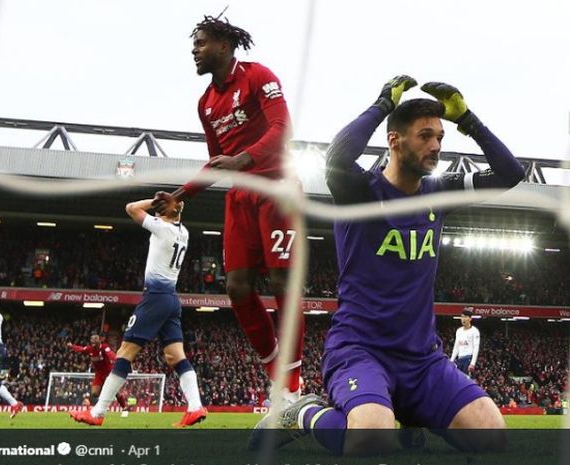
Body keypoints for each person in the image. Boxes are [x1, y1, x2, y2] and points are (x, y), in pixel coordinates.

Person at [251, 76, 524, 455]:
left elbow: (511, 174)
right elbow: (339, 156)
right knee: (372, 439)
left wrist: (469, 120)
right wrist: (382, 105)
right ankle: (304, 413)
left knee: (492, 435)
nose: (436, 146)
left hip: (421, 357)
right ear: (394, 140)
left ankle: (412, 411)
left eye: (440, 138)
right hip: (360, 350)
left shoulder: (438, 191)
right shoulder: (359, 192)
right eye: (425, 136)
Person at [153, 13, 303, 406]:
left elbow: (281, 129)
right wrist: (180, 195)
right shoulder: (206, 103)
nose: (194, 50)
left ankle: (293, 383)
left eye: (200, 43)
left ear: (223, 45)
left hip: (276, 187)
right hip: (241, 195)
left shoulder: (258, 76)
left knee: (282, 283)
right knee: (237, 288)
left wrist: (242, 161)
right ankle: (277, 375)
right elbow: (216, 162)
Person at [70, 198, 206, 427]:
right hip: (172, 299)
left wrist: (155, 201)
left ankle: (97, 412)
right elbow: (174, 212)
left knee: (124, 353)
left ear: (162, 212)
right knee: (176, 356)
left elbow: (131, 208)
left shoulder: (161, 227)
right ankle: (195, 407)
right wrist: (170, 205)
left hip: (155, 297)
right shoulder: (184, 231)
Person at [67, 333, 128, 410]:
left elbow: (110, 354)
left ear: (99, 340)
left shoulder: (104, 347)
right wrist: (72, 346)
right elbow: (81, 349)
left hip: (108, 373)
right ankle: (106, 391)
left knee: (116, 392)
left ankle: (124, 407)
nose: (92, 340)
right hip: (99, 374)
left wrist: (116, 360)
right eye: (92, 339)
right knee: (94, 393)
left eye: (95, 339)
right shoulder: (90, 349)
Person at [450, 309, 481, 376]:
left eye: (465, 317)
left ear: (470, 318)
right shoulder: (459, 331)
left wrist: (472, 363)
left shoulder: (474, 331)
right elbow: (456, 346)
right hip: (459, 359)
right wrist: (451, 360)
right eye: (462, 317)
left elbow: (476, 347)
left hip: (468, 358)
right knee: (458, 381)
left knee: (466, 381)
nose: (463, 319)